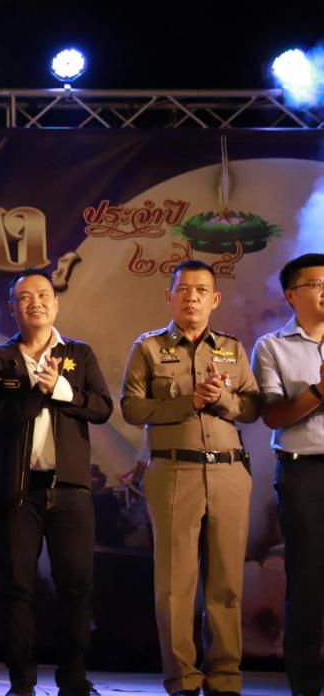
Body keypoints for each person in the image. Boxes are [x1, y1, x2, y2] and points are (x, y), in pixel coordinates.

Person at [121, 259, 259, 696]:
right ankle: (182, 678)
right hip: (174, 470)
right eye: (183, 290)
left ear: (215, 299)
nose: (192, 298)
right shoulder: (148, 348)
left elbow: (253, 407)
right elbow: (131, 407)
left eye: (201, 291)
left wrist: (224, 400)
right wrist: (189, 402)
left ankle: (225, 678)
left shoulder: (232, 349)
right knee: (175, 585)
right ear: (170, 297)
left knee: (227, 583)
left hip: (229, 471)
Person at [0, 269, 112, 696]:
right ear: (11, 307)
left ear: (56, 303)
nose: (35, 302)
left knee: (76, 587)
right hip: (17, 491)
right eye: (24, 297)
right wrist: (38, 390)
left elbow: (102, 408)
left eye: (43, 295)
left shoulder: (79, 354)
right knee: (17, 587)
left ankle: (73, 675)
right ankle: (21, 679)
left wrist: (62, 389)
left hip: (70, 489)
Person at [251, 252, 324, 696]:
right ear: (292, 295)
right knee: (308, 577)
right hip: (304, 471)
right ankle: (306, 684)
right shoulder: (272, 346)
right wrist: (318, 391)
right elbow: (273, 416)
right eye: (316, 284)